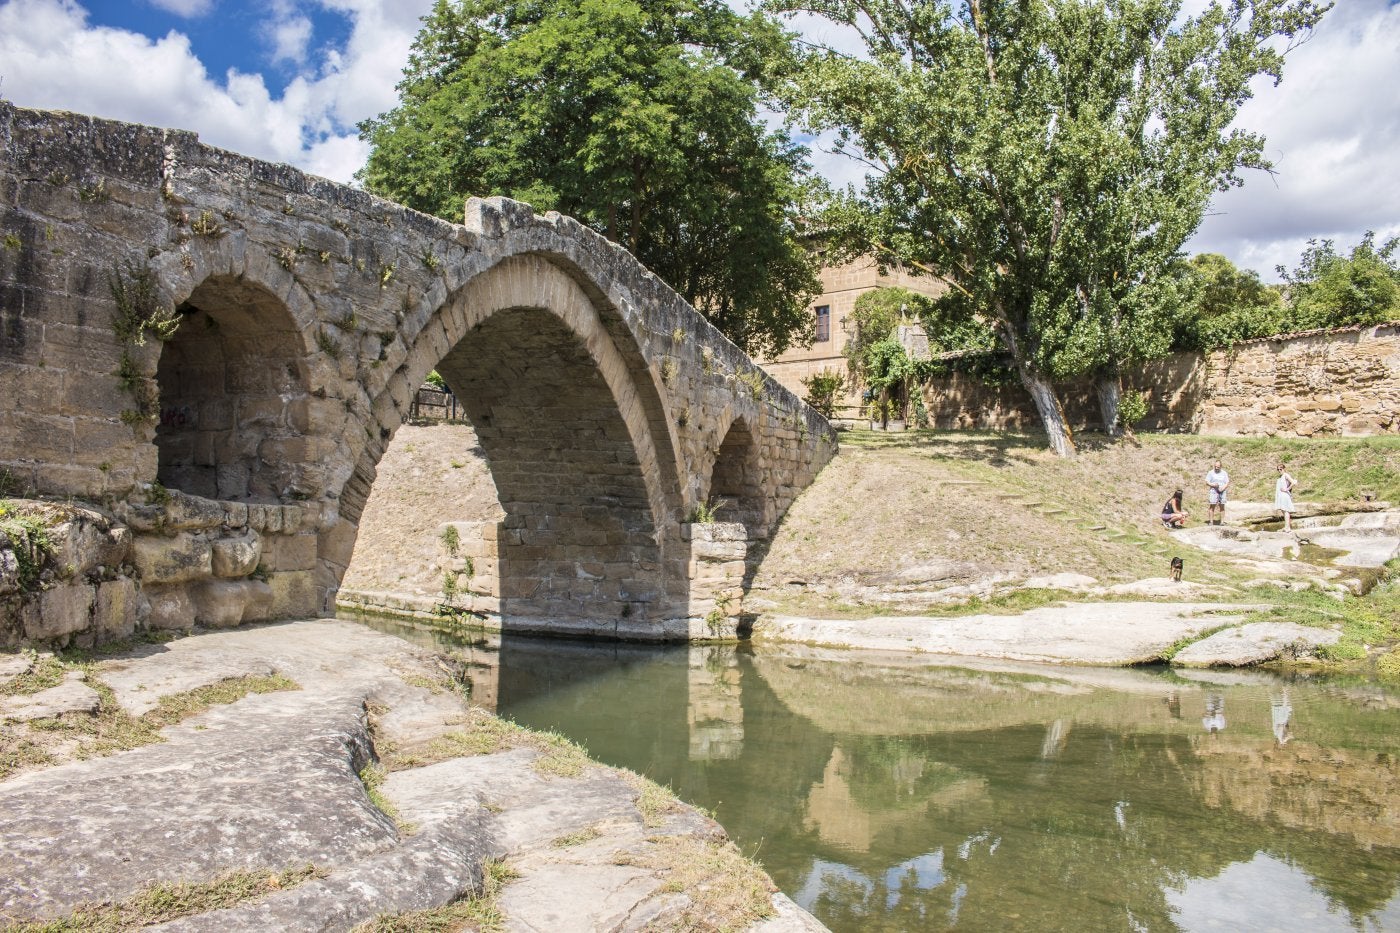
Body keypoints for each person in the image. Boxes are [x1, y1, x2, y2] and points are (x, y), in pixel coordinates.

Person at [1205, 459, 1230, 525]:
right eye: (1215, 466)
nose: (1216, 468)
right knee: (1212, 506)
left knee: (1222, 506)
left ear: (1221, 466)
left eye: (1218, 467)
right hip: (1213, 490)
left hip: (1222, 490)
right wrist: (1213, 484)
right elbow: (1207, 482)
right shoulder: (1211, 472)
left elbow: (1227, 482)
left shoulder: (1224, 473)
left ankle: (1222, 522)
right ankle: (1211, 522)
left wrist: (1223, 488)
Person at [1275, 463, 1297, 532]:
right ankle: (1286, 527)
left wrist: (1287, 489)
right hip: (1281, 495)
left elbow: (1293, 482)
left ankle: (1288, 528)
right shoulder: (1281, 477)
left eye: (1280, 469)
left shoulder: (1286, 475)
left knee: (1286, 511)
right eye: (1278, 469)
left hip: (1284, 495)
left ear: (1284, 469)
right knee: (1283, 511)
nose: (1279, 470)